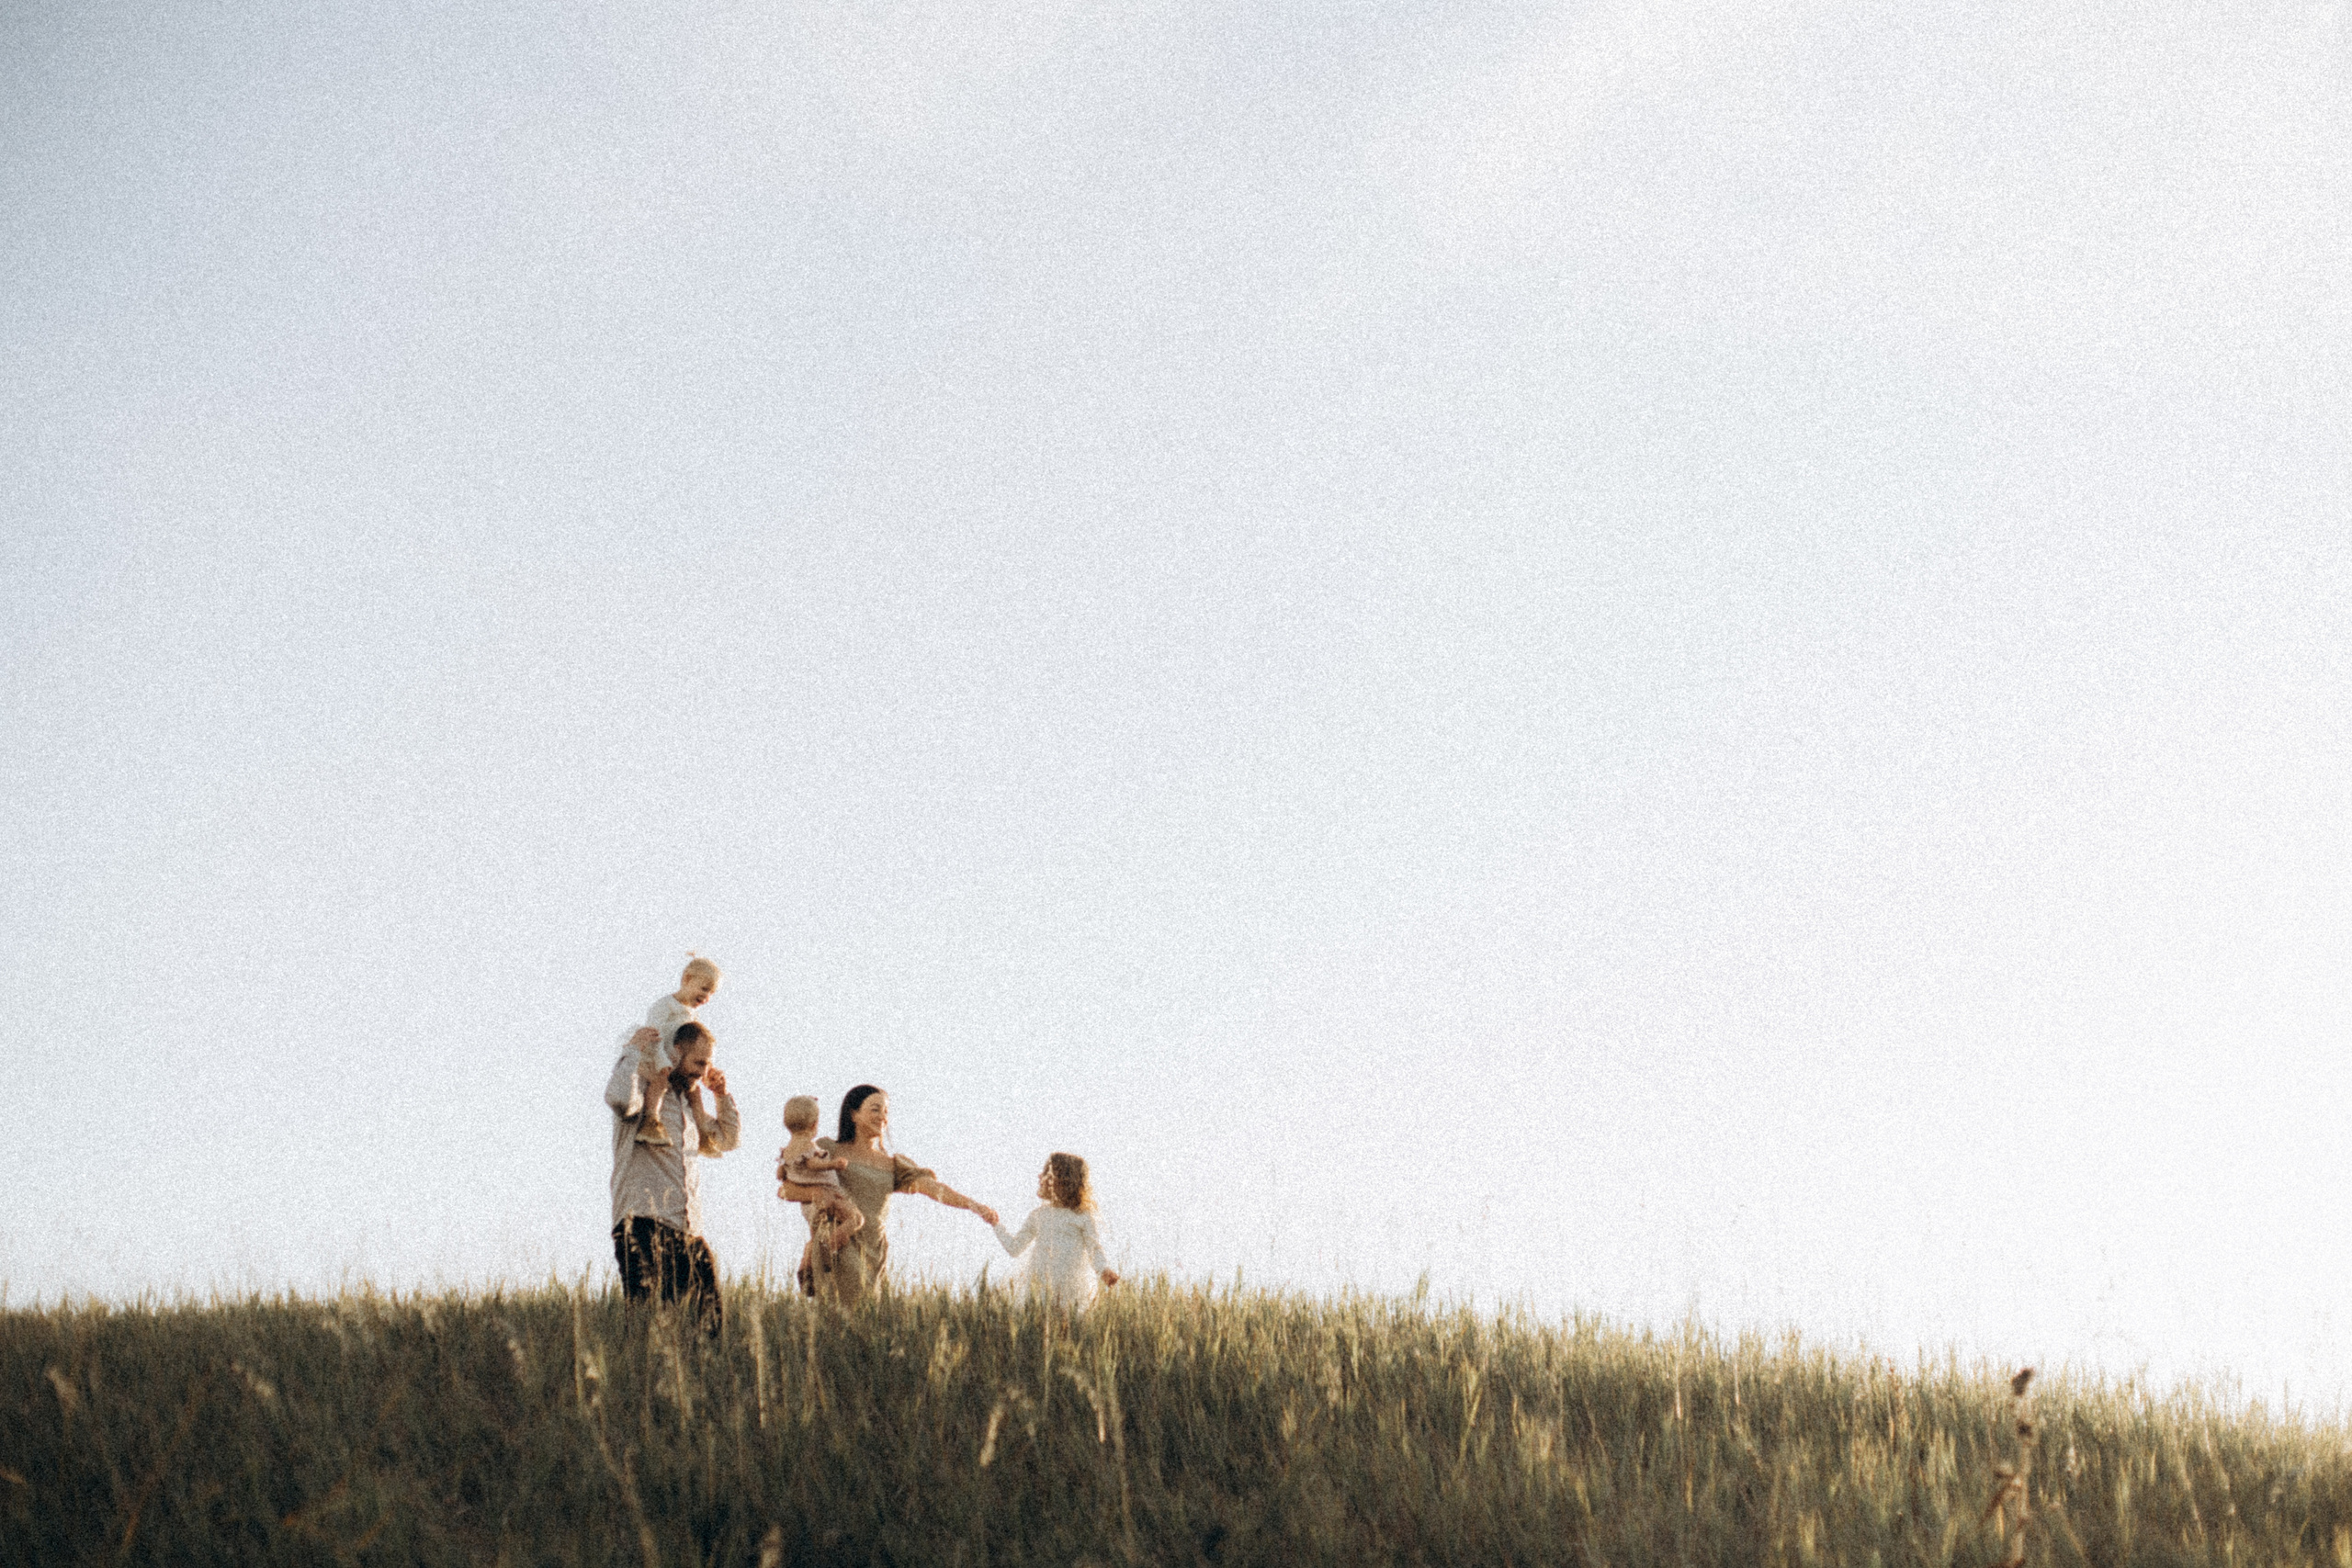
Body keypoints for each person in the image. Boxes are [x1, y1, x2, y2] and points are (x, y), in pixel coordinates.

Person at [780, 1084, 996, 1305]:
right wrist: (816, 1193)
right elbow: (786, 1189)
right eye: (875, 1109)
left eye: (886, 1112)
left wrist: (973, 1205)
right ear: (853, 1115)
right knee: (842, 1312)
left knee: (869, 1315)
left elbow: (935, 1189)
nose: (882, 1117)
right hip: (839, 1242)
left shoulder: (894, 1166)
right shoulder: (828, 1151)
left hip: (874, 1251)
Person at [606, 1019, 740, 1332]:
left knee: (710, 1323)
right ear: (677, 1052)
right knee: (647, 1324)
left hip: (688, 1229)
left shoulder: (688, 1105)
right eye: (699, 1063)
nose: (703, 1072)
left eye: (707, 1064)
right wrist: (633, 1050)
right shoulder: (643, 1091)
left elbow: (728, 1139)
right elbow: (618, 1099)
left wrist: (721, 1096)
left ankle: (703, 1363)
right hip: (642, 1222)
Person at [990, 1152, 1119, 1309]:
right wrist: (996, 1224)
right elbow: (1015, 1248)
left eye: (1046, 1173)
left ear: (1061, 1180)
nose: (1039, 1176)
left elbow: (1094, 1249)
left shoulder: (1083, 1216)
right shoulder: (1038, 1215)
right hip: (1040, 1291)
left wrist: (1104, 1270)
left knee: (1068, 1322)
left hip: (1071, 1291)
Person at [618, 956, 722, 1146]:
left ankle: (703, 1133)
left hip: (677, 1058)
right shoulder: (665, 1006)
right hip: (657, 1055)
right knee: (660, 1081)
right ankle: (650, 1119)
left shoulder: (693, 1015)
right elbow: (655, 1035)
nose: (706, 997)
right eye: (704, 989)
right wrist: (661, 1060)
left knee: (695, 1091)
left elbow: (696, 1043)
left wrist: (707, 1067)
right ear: (687, 979)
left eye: (711, 993)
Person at [775, 1094, 864, 1258]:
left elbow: (780, 1173)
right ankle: (832, 1245)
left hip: (808, 1206)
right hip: (829, 1197)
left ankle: (809, 1259)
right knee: (856, 1219)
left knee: (816, 1235)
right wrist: (833, 1164)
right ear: (814, 1124)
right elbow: (813, 1164)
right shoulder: (809, 1146)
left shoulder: (787, 1151)